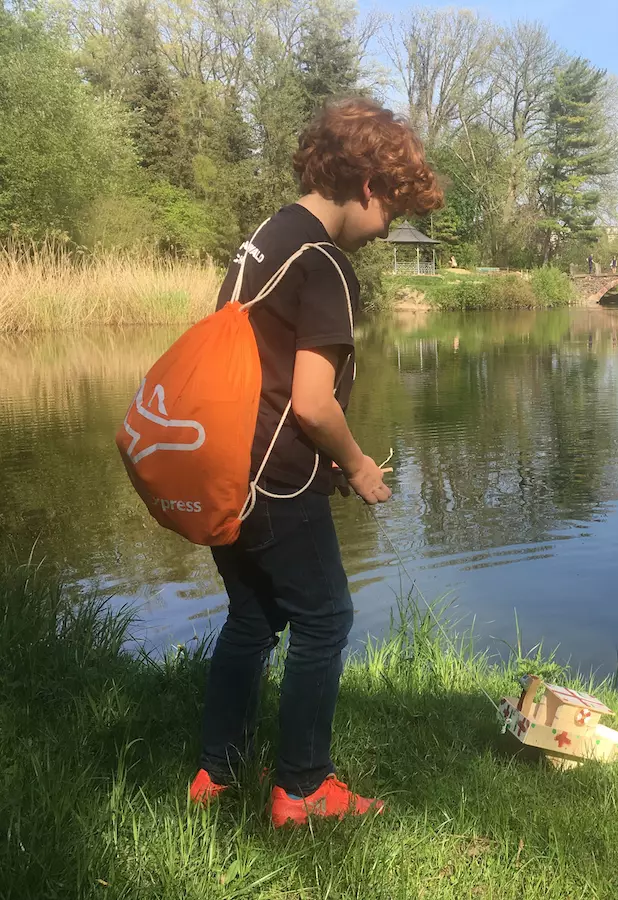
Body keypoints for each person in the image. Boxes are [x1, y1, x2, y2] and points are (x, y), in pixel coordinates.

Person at [188, 98, 443, 827]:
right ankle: (302, 789)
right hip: (275, 475)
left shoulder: (266, 238)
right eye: (394, 210)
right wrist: (359, 466)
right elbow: (311, 403)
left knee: (253, 617)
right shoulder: (325, 262)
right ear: (370, 186)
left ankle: (219, 771)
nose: (390, 228)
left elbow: (256, 366)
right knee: (326, 618)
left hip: (225, 466)